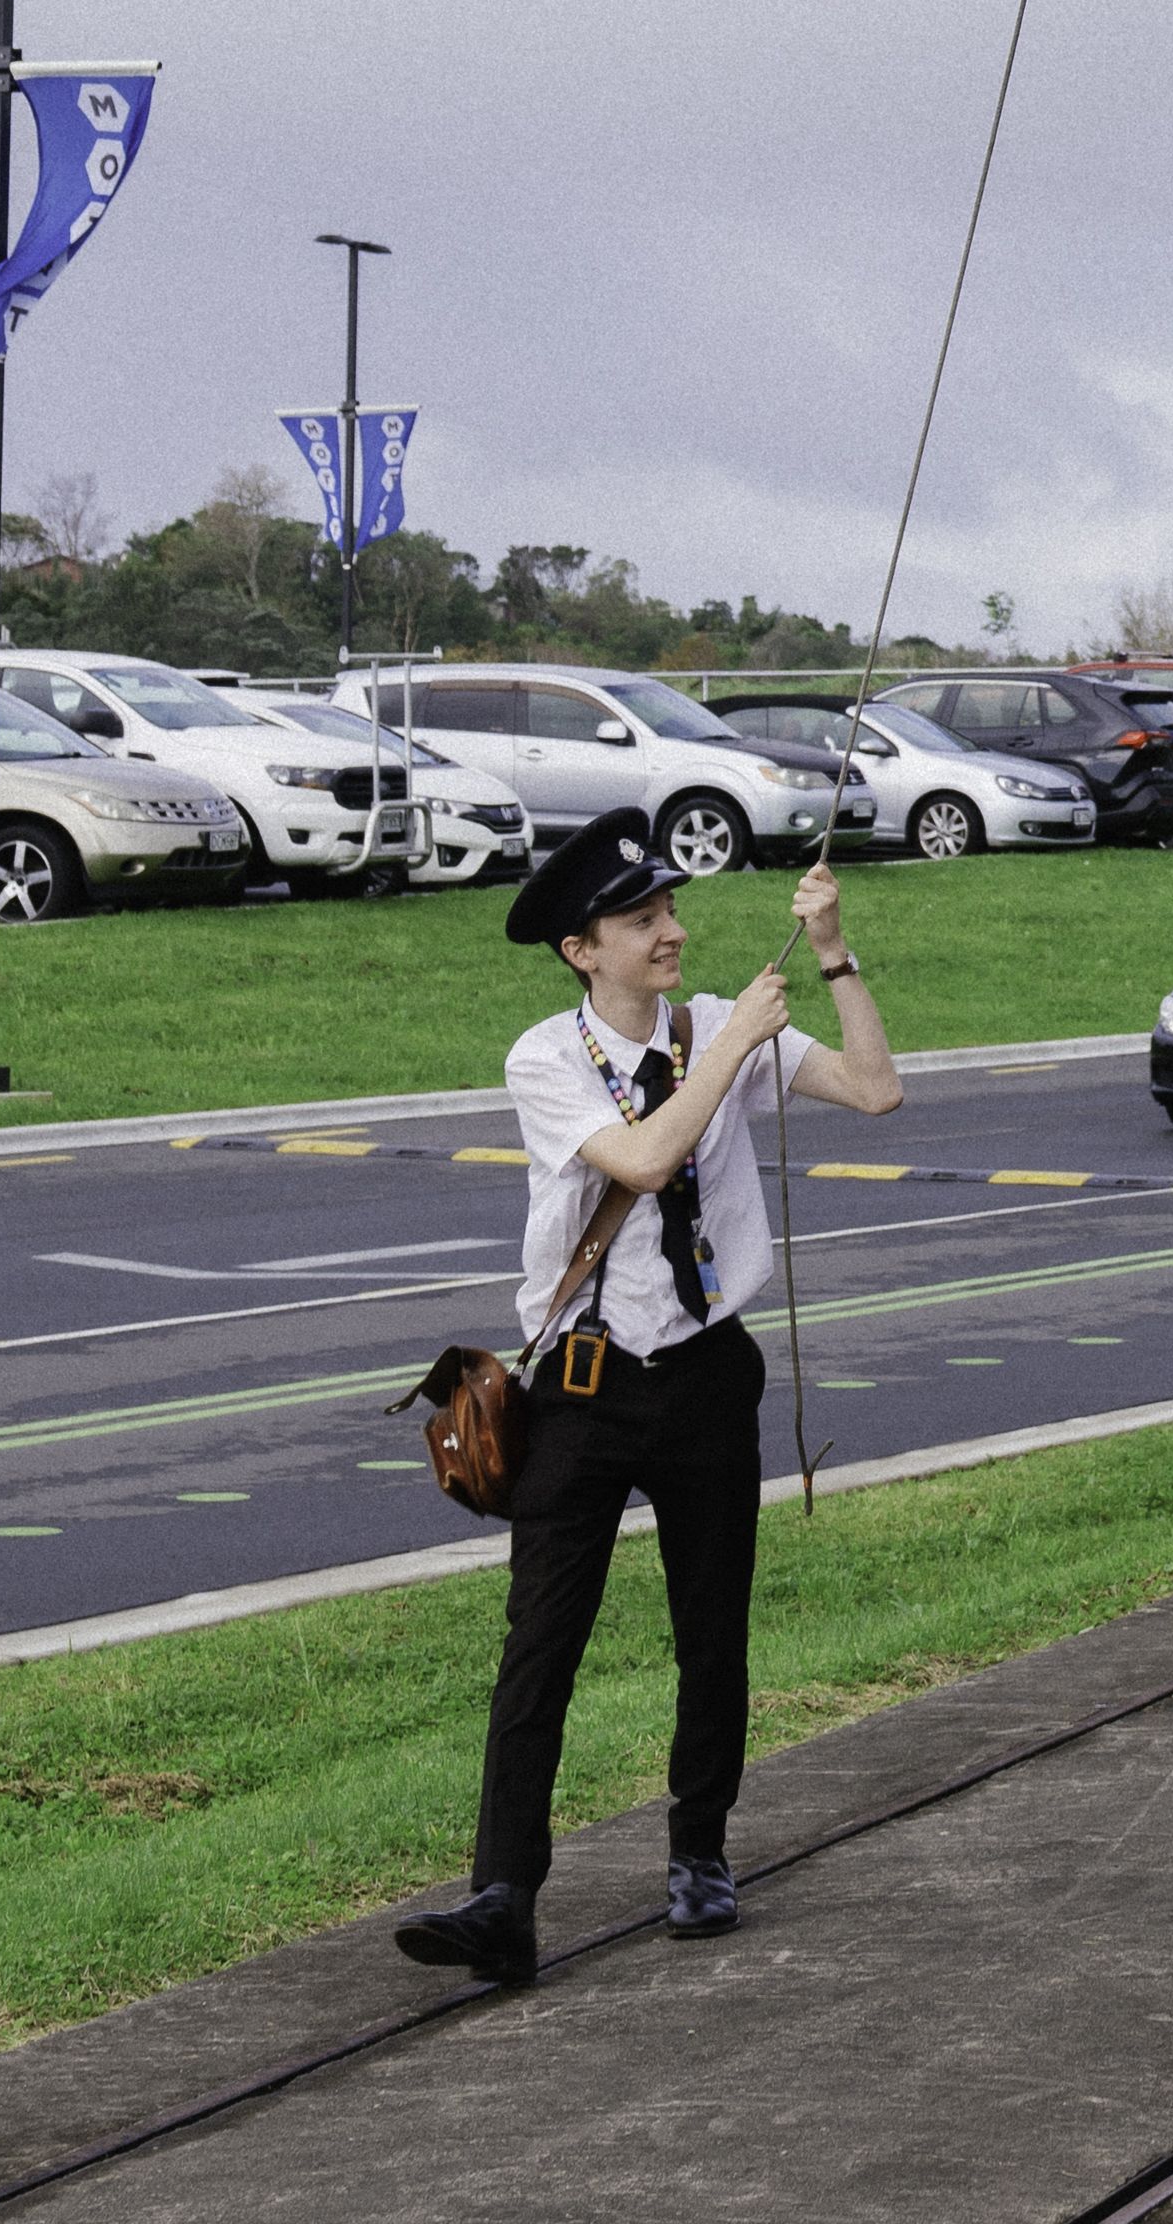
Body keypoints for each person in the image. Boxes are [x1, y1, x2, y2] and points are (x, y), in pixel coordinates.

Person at [391, 814, 901, 1988]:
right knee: (542, 1639)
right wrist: (730, 1051)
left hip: (708, 1376)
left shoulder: (724, 1021)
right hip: (582, 1383)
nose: (672, 932)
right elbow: (646, 1160)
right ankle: (503, 1895)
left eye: (670, 913)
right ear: (583, 949)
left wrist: (833, 953)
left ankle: (699, 1852)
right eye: (642, 921)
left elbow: (876, 1091)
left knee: (710, 1625)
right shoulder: (547, 1059)